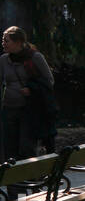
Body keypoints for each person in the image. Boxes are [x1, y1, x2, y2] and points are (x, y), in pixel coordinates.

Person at [1, 26, 55, 161]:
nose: (3, 43)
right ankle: (13, 179)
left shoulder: (35, 57)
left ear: (18, 42)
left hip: (29, 109)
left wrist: (31, 89)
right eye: (3, 40)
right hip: (9, 108)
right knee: (9, 146)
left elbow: (49, 81)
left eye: (6, 41)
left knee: (26, 146)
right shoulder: (3, 60)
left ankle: (30, 178)